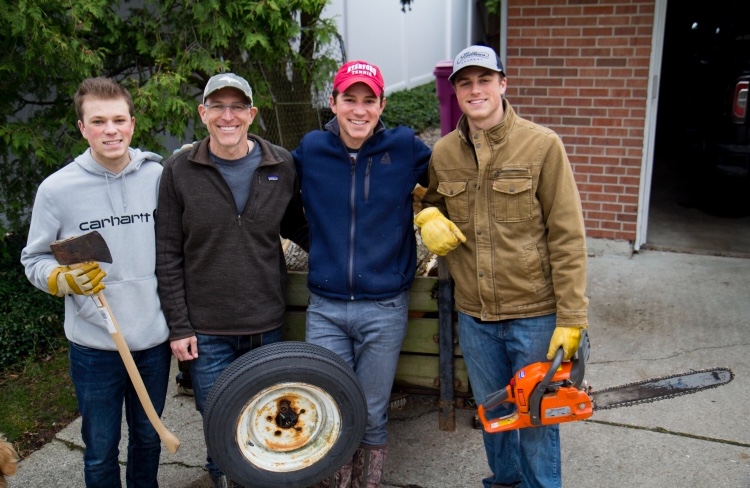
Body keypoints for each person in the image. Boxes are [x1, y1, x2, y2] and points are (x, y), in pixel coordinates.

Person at [416, 45, 589, 488]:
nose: (476, 90)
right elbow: (430, 200)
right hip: (476, 318)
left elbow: (567, 237)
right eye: (465, 83)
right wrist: (426, 216)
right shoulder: (444, 154)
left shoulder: (542, 145)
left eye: (484, 80)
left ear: (502, 84)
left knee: (535, 419)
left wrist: (571, 317)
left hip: (535, 314)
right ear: (456, 91)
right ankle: (504, 482)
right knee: (493, 413)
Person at [155, 72, 309, 488]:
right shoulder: (179, 170)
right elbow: (167, 254)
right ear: (203, 114)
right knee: (220, 423)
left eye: (237, 106)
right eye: (217, 107)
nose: (228, 116)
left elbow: (299, 226)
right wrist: (180, 325)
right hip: (207, 331)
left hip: (266, 324)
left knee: (267, 417)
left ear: (252, 114)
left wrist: (353, 255)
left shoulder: (281, 164)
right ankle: (222, 479)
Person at [21, 77, 171, 487]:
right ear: (82, 128)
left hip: (153, 340)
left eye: (119, 120)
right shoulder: (57, 190)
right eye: (99, 121)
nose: (111, 130)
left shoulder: (158, 177)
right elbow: (33, 258)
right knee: (101, 450)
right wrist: (62, 278)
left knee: (149, 440)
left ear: (133, 124)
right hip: (95, 346)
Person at [291, 60, 431, 487]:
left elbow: (449, 184)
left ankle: (367, 482)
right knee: (329, 403)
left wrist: (432, 214)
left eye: (368, 100)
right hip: (326, 309)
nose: (358, 109)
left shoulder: (405, 147)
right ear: (332, 103)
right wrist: (320, 244)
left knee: (371, 409)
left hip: (384, 308)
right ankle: (334, 479)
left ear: (382, 104)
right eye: (349, 98)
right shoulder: (312, 150)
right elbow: (276, 198)